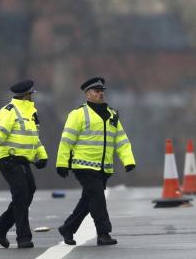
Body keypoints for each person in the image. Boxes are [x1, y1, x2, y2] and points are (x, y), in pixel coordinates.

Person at [55, 77, 136, 246]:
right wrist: (62, 163)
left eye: (102, 91)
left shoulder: (112, 115)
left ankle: (68, 228)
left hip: (103, 168)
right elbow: (66, 140)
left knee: (88, 200)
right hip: (83, 165)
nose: (100, 94)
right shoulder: (78, 114)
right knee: (98, 198)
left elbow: (121, 140)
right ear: (87, 95)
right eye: (96, 91)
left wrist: (128, 160)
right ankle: (103, 233)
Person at [0, 79, 48, 249]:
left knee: (29, 192)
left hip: (24, 161)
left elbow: (35, 139)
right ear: (26, 95)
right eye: (31, 94)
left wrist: (42, 156)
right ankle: (23, 237)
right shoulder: (9, 111)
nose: (32, 97)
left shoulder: (31, 113)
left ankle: (0, 227)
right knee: (20, 196)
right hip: (9, 160)